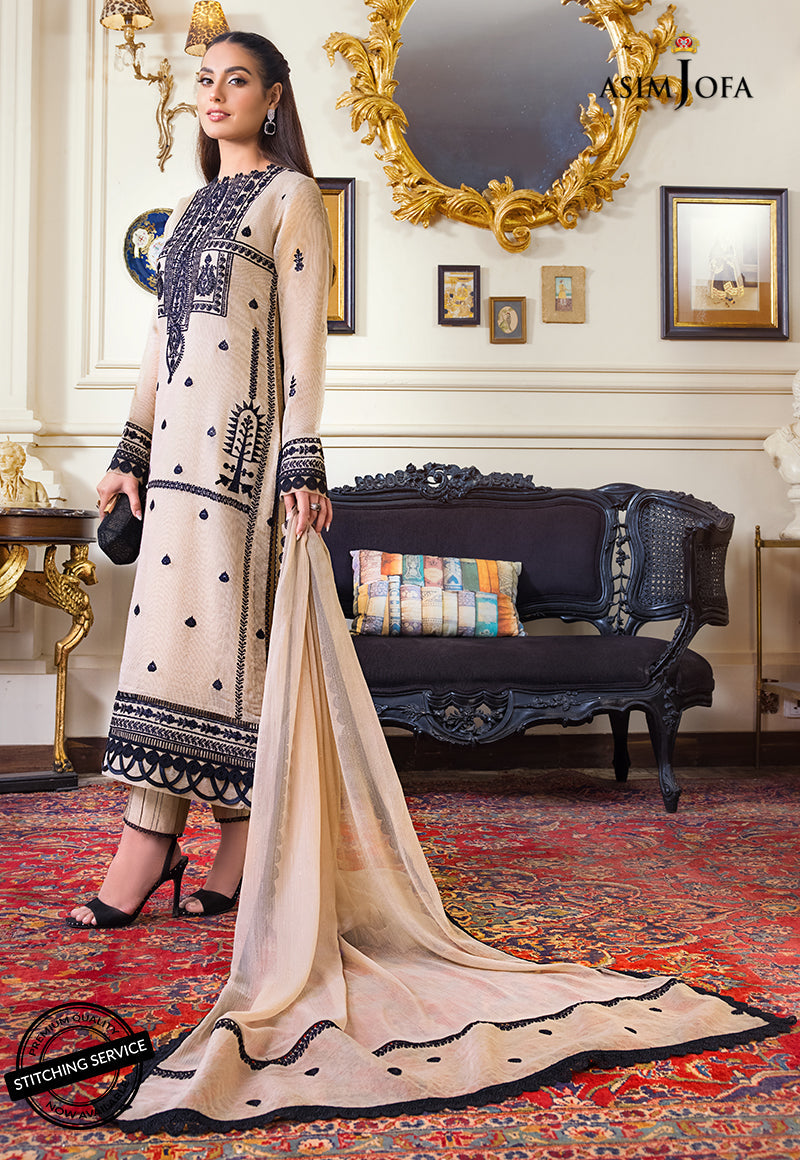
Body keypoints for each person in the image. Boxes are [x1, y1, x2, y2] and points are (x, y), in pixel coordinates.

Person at [68, 30, 332, 927]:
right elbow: (159, 344)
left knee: (224, 650)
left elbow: (303, 339)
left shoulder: (293, 197)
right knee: (169, 645)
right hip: (175, 462)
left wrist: (303, 455)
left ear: (273, 96)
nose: (215, 94)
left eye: (237, 80)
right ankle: (214, 845)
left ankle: (166, 847)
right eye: (206, 79)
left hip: (242, 461)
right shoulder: (187, 209)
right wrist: (129, 453)